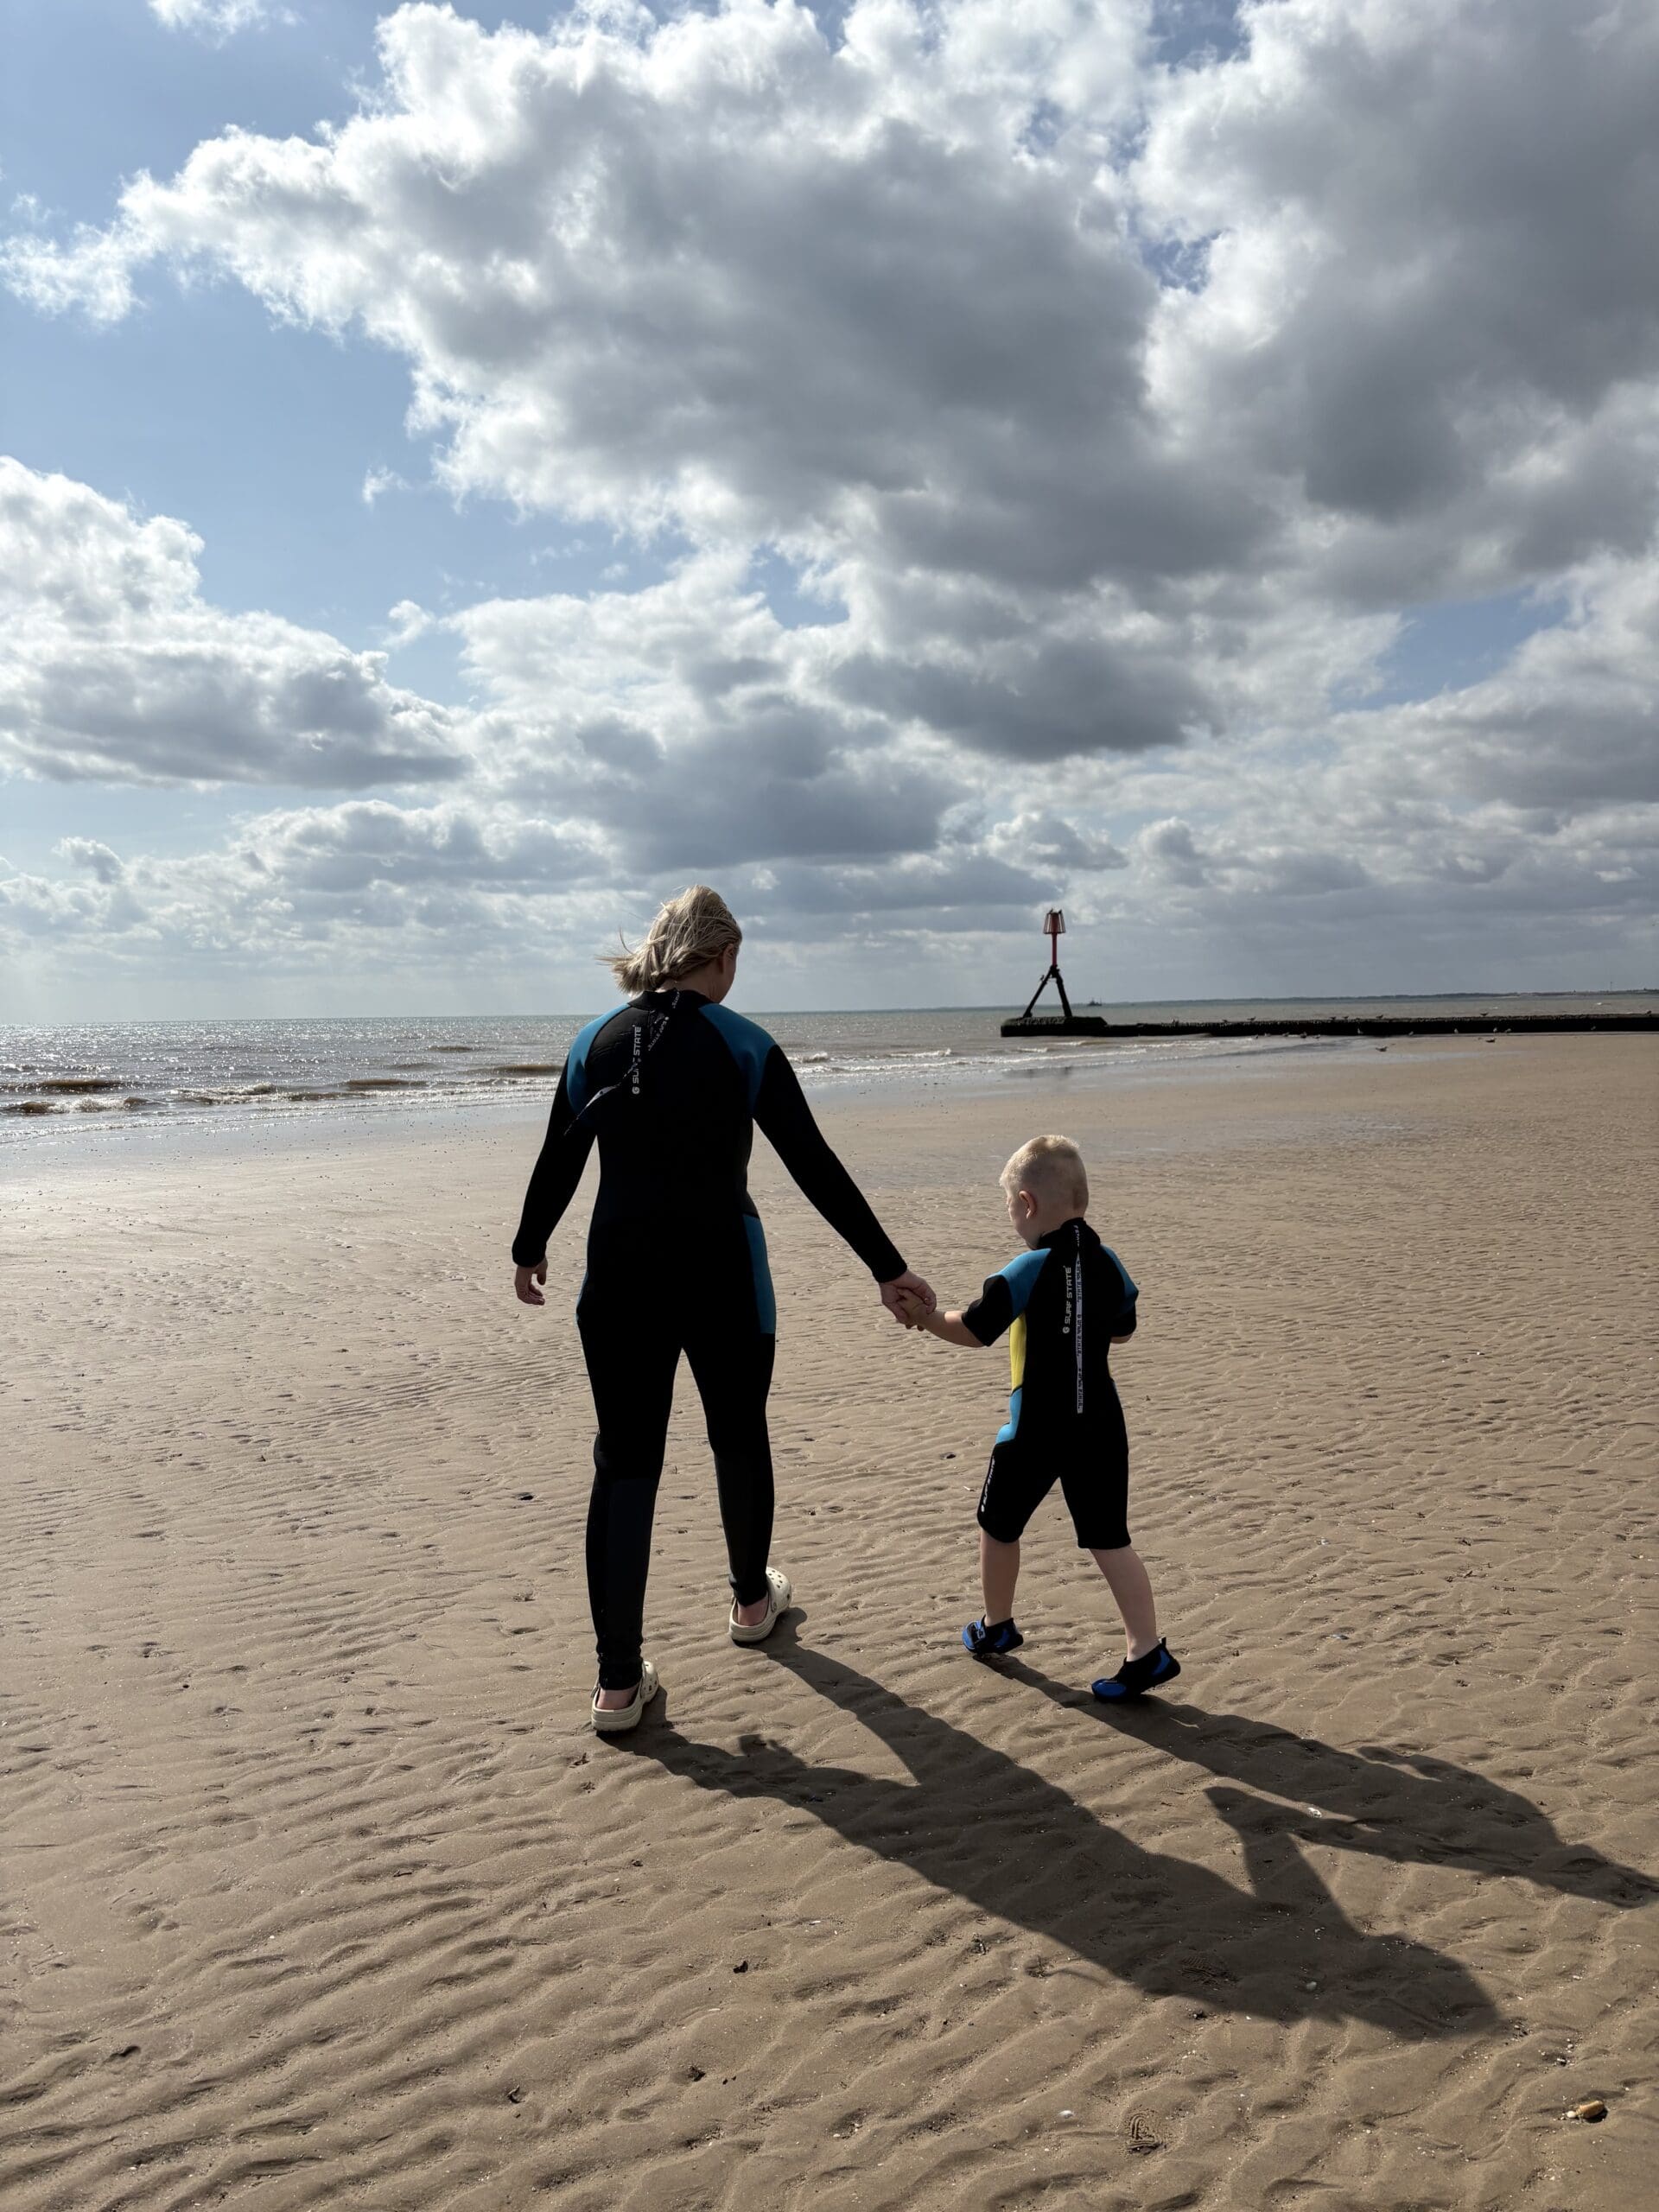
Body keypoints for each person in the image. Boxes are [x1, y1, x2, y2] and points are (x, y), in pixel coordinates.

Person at [512, 886, 934, 1735]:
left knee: (625, 1464)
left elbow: (559, 1159)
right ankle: (749, 1603)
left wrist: (530, 1246)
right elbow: (813, 1163)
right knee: (737, 1433)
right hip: (723, 1276)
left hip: (619, 1280)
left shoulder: (594, 1041)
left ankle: (617, 1686)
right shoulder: (744, 1044)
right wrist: (887, 1268)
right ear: (723, 957)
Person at [898, 1134, 1179, 1702]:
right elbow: (1123, 1327)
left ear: (1027, 1204)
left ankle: (997, 1625)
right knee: (1109, 1539)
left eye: (1010, 1210)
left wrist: (926, 1318)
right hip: (1101, 1424)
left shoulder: (1027, 1267)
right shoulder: (1109, 1263)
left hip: (1036, 1430)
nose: (1013, 1222)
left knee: (998, 1524)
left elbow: (975, 1329)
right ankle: (1145, 1650)